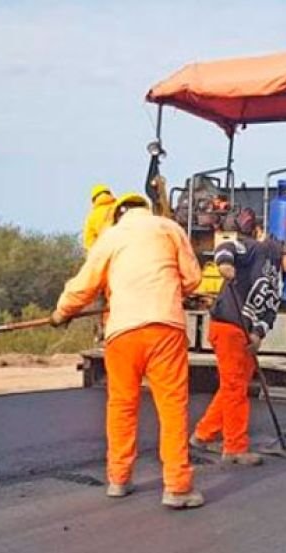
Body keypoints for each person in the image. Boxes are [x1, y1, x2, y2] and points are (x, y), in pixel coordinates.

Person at [51, 193, 205, 509]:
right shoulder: (169, 228)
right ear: (145, 210)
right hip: (165, 328)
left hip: (122, 331)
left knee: (122, 404)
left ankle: (118, 479)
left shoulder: (111, 237)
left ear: (118, 214)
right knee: (172, 406)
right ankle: (177, 487)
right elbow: (192, 279)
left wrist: (61, 312)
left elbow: (85, 284)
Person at [190, 229, 286, 464]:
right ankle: (235, 448)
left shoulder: (278, 280)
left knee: (236, 383)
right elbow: (227, 248)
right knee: (235, 388)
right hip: (228, 324)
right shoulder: (259, 251)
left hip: (245, 333)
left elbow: (269, 312)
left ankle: (203, 433)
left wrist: (258, 333)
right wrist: (226, 264)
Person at [82, 184, 116, 252]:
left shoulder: (91, 217)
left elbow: (89, 242)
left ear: (94, 199)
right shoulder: (119, 206)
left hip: (106, 250)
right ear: (110, 194)